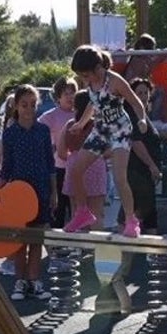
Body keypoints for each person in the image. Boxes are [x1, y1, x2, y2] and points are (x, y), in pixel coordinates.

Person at [63, 45, 150, 237]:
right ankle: (82, 212)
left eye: (86, 75)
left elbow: (135, 102)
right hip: (101, 130)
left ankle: (130, 220)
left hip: (120, 130)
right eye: (82, 77)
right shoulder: (91, 83)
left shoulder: (114, 81)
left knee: (120, 177)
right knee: (76, 169)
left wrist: (142, 119)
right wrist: (81, 123)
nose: (85, 80)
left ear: (98, 68)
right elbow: (93, 105)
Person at [0, 85, 55, 302]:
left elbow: (50, 163)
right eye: (24, 104)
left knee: (37, 237)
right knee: (21, 239)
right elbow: (7, 165)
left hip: (40, 188)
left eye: (33, 104)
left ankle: (34, 280)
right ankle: (20, 281)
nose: (29, 109)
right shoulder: (10, 133)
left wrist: (53, 192)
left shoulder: (43, 130)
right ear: (16, 105)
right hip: (19, 191)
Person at [58, 90, 108, 236]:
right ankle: (97, 252)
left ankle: (79, 249)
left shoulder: (69, 125)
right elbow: (108, 150)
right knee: (97, 214)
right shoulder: (98, 125)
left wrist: (74, 156)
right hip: (95, 164)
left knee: (77, 213)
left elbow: (61, 152)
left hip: (74, 166)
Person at [38, 76, 78, 228]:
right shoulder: (50, 116)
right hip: (59, 168)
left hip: (78, 168)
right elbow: (39, 133)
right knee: (58, 207)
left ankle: (76, 244)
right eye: (66, 93)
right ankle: (57, 243)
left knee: (76, 208)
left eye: (73, 92)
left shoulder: (80, 115)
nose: (70, 97)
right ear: (58, 97)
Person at [128, 77, 163, 232]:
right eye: (139, 92)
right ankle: (126, 248)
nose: (143, 96)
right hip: (138, 170)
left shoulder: (143, 115)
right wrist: (152, 166)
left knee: (149, 214)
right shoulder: (133, 114)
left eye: (145, 92)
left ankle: (148, 252)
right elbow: (136, 143)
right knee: (140, 210)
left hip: (145, 173)